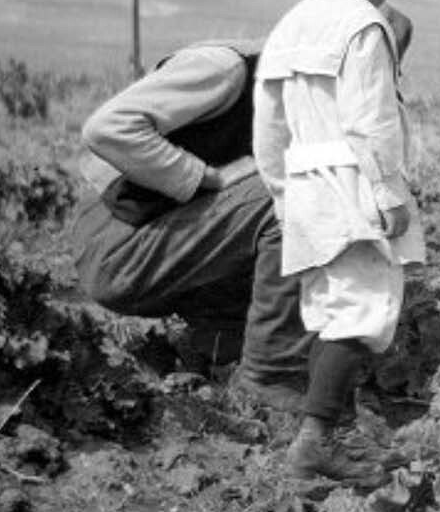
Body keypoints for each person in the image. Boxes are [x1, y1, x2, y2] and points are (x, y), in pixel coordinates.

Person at [253, 0, 429, 484]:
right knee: (362, 311)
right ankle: (318, 441)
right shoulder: (365, 26)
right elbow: (370, 119)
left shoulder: (289, 26)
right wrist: (390, 196)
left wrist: (282, 194)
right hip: (353, 182)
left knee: (329, 311)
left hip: (304, 184)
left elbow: (268, 127)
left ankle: (338, 434)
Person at [72, 38, 310, 411]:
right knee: (295, 198)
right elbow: (106, 129)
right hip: (116, 245)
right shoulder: (224, 69)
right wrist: (207, 178)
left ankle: (218, 341)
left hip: (150, 234)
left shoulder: (300, 96)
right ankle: (269, 374)